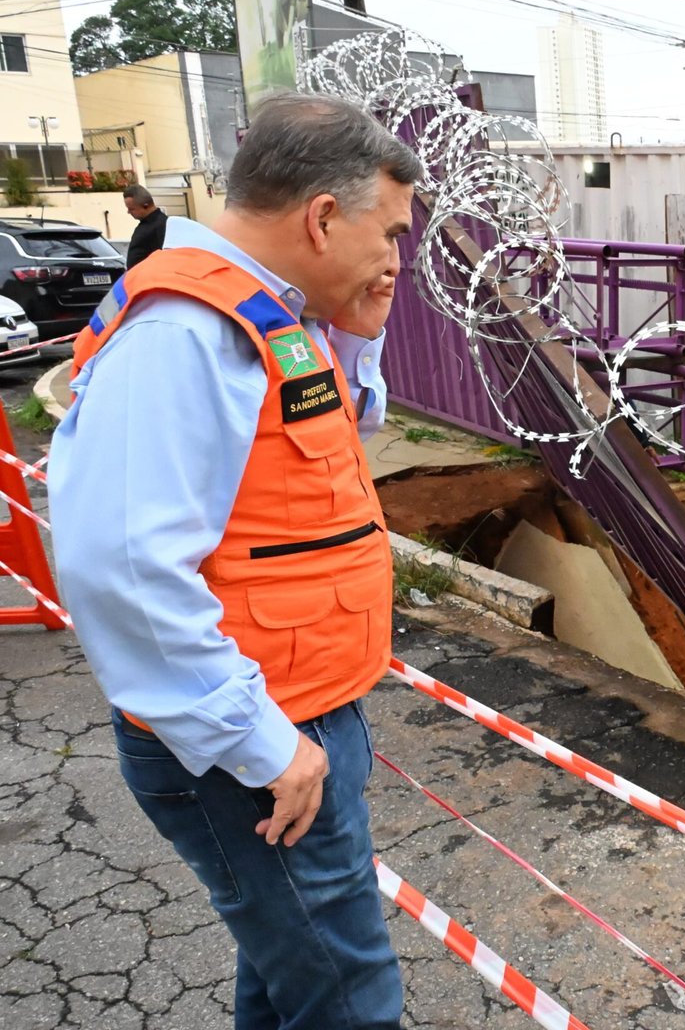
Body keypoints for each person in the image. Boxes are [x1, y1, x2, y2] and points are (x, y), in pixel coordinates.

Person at [50, 93, 423, 1030]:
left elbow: (312, 461)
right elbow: (122, 569)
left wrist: (361, 332)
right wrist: (266, 748)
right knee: (348, 998)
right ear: (322, 216)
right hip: (245, 745)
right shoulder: (187, 332)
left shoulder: (270, 315)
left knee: (287, 975)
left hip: (290, 715)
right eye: (388, 234)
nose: (395, 259)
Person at [121, 184, 167, 268]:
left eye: (131, 209)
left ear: (145, 205)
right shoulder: (146, 225)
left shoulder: (161, 226)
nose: (128, 212)